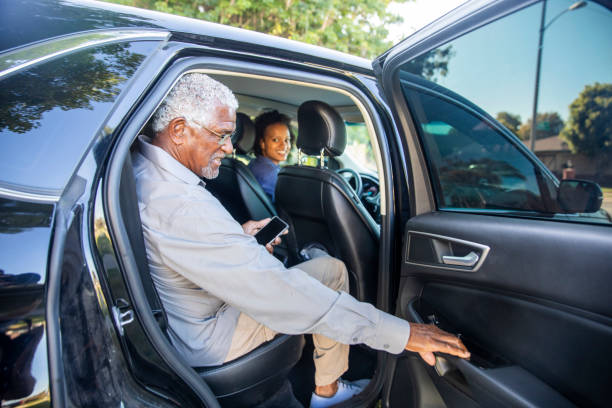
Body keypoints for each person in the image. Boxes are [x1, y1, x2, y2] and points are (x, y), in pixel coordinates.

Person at [132, 73, 469, 407]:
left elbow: (191, 244)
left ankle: (329, 389)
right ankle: (328, 393)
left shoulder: (145, 173)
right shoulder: (180, 205)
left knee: (326, 270)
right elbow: (282, 295)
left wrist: (239, 238)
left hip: (190, 318)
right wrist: (402, 333)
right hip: (213, 337)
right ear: (178, 130)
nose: (230, 147)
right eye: (221, 135)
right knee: (330, 276)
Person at [248, 110, 293, 201]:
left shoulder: (254, 163)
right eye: (275, 140)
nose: (284, 146)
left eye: (286, 140)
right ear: (262, 143)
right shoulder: (271, 174)